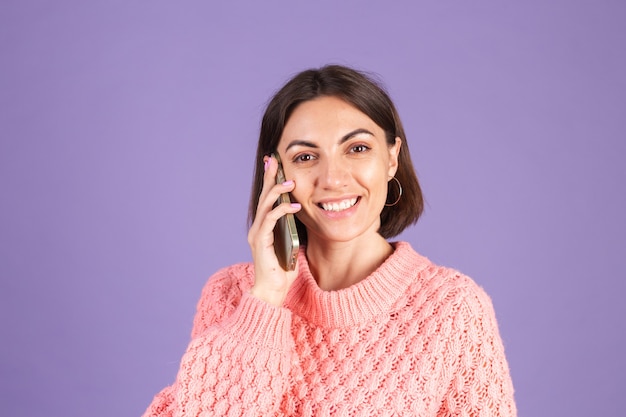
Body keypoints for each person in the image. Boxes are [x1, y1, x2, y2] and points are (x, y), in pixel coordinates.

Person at [142, 65, 516, 416]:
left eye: (357, 149)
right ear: (274, 172)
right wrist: (266, 299)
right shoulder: (233, 294)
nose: (333, 178)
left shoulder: (453, 308)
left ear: (391, 159)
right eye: (305, 156)